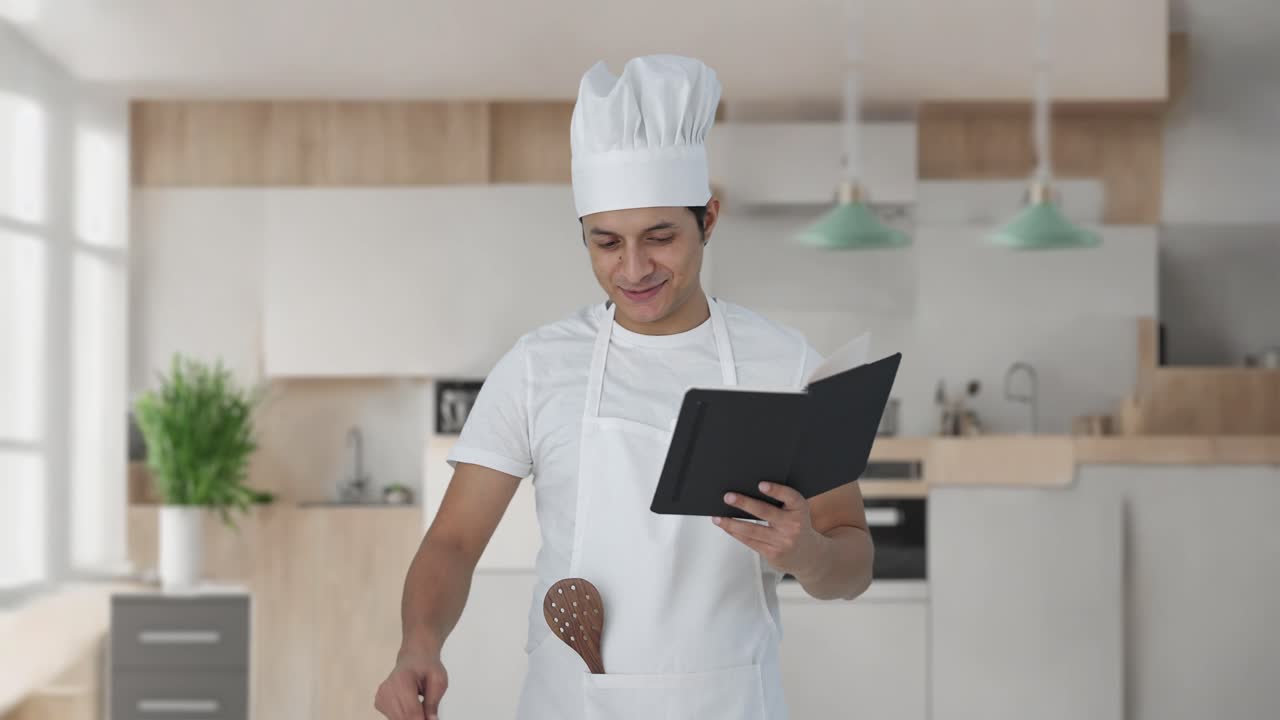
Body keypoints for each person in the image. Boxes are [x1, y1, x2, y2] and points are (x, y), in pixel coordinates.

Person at [374, 54, 874, 720]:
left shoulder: (785, 365)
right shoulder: (538, 365)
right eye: (605, 242)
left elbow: (854, 557)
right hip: (573, 702)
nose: (633, 268)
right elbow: (453, 543)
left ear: (710, 219)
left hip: (729, 703)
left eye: (660, 237)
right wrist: (419, 643)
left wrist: (807, 551)